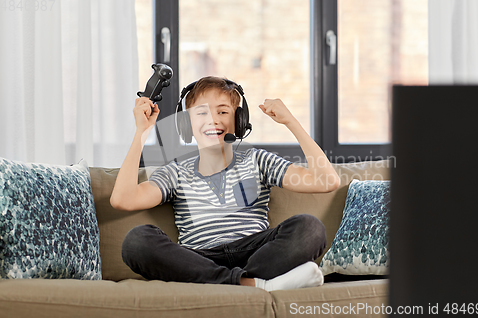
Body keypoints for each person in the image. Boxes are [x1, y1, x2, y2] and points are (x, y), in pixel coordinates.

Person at [110, 76, 340, 291]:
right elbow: (122, 199)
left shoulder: (257, 160)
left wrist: (292, 122)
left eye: (223, 111)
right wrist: (142, 132)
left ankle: (233, 282)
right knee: (136, 241)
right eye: (201, 113)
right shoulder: (175, 172)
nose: (213, 119)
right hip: (199, 257)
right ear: (186, 124)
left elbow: (327, 181)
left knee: (310, 227)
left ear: (239, 121)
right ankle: (254, 284)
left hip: (255, 252)